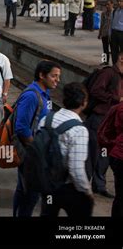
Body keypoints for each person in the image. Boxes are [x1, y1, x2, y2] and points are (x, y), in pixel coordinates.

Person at [13, 60, 61, 217]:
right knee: (30, 195)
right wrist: (37, 150)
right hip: (30, 153)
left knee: (24, 190)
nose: (57, 80)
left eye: (58, 77)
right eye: (54, 76)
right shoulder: (32, 96)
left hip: (35, 151)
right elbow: (21, 127)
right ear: (42, 75)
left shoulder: (45, 93)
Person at [40, 83, 94, 217]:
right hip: (69, 187)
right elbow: (76, 168)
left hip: (47, 182)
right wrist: (87, 190)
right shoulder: (79, 129)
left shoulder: (47, 119)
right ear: (83, 103)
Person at [85, 51, 123, 198]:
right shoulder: (108, 73)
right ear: (121, 58)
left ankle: (99, 185)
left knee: (104, 155)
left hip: (109, 120)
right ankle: (83, 187)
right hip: (98, 118)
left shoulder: (119, 77)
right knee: (92, 154)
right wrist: (116, 99)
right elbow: (96, 90)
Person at [99, 0, 113, 65]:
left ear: (112, 5)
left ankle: (114, 62)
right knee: (105, 48)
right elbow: (101, 24)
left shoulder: (114, 13)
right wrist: (100, 33)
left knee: (113, 49)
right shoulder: (103, 13)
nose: (107, 6)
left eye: (109, 4)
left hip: (112, 34)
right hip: (104, 33)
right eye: (106, 5)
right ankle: (105, 61)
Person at [110, 0, 123, 65]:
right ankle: (115, 64)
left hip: (122, 33)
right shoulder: (115, 11)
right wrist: (110, 33)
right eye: (118, 1)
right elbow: (111, 23)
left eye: (121, 1)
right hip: (114, 32)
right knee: (114, 50)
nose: (119, 3)